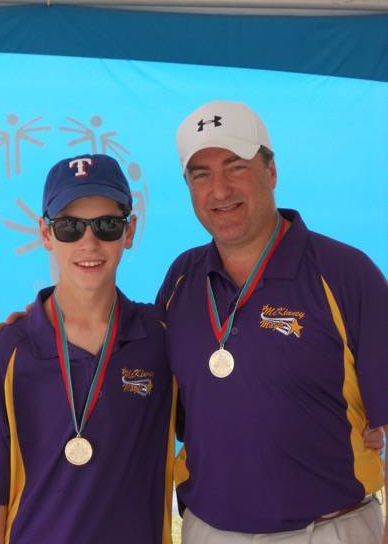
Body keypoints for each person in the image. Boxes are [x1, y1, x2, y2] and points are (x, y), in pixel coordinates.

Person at [157, 100, 388, 543]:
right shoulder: (182, 278)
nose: (219, 191)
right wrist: (47, 317)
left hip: (329, 530)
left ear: (272, 171)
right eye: (201, 175)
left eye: (236, 167)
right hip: (209, 530)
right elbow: (132, 363)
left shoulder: (346, 273)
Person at [0, 154, 176, 544]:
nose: (89, 242)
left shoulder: (161, 339)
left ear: (130, 231)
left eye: (107, 225)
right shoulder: (10, 352)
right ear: (45, 233)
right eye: (70, 227)